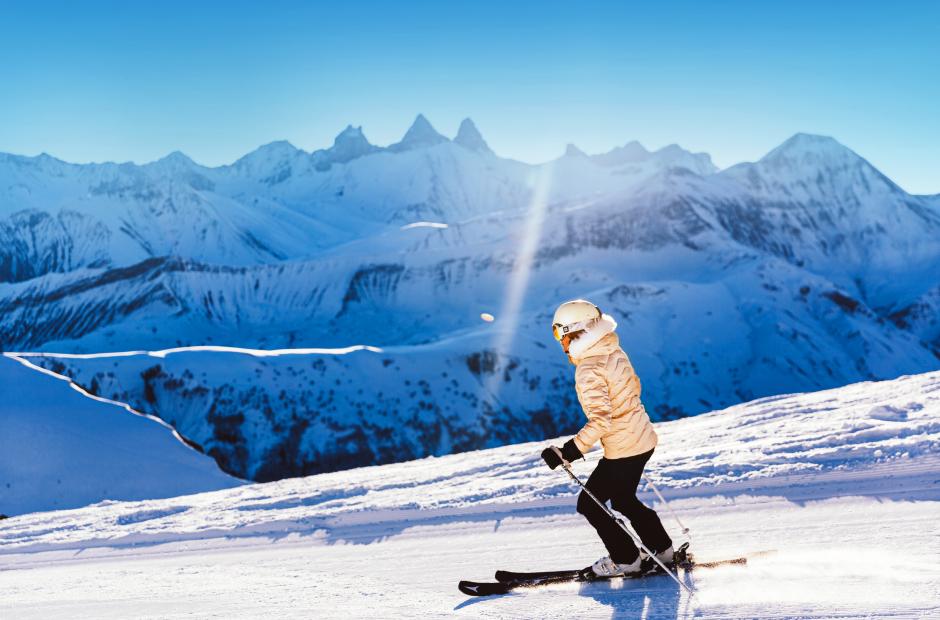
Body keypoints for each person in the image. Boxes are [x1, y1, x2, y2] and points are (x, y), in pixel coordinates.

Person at [541, 299, 673, 578]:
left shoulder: (589, 367)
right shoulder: (612, 349)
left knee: (589, 504)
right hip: (641, 437)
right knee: (623, 500)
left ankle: (626, 560)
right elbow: (634, 386)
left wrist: (568, 451)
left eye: (559, 333)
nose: (559, 341)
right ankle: (661, 550)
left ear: (577, 331)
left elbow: (601, 420)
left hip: (624, 448)